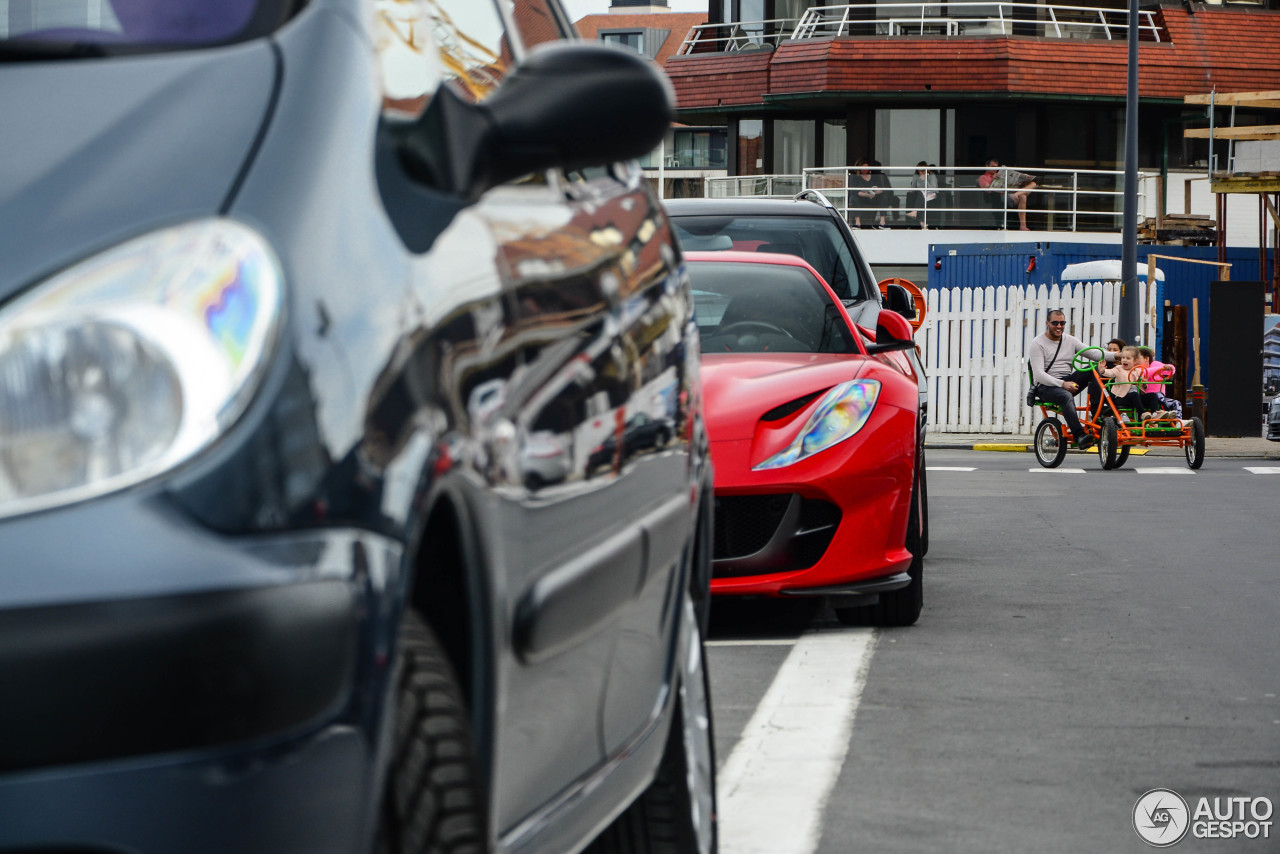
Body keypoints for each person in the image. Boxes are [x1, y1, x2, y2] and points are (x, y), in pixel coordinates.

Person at [1028, 310, 1100, 449]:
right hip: (1045, 386)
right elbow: (1038, 375)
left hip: (1066, 380)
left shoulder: (1070, 340)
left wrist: (1118, 356)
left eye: (1062, 323)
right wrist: (1062, 384)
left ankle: (1099, 415)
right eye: (1055, 323)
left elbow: (1093, 353)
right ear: (1047, 323)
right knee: (1066, 396)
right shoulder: (1037, 343)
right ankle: (1079, 435)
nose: (1059, 326)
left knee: (1093, 370)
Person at [981, 158, 1038, 230]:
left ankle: (1017, 194)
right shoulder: (983, 177)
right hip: (1000, 196)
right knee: (1023, 196)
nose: (995, 169)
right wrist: (993, 179)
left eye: (996, 167)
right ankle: (1023, 226)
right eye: (993, 167)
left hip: (1011, 194)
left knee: (1033, 184)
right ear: (987, 166)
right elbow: (987, 190)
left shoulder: (998, 174)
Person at [850, 157, 883, 229]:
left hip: (873, 197)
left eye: (867, 167)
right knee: (853, 198)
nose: (865, 169)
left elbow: (881, 189)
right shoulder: (855, 177)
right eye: (863, 167)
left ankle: (882, 222)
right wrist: (866, 194)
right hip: (861, 198)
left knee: (884, 197)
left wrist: (876, 191)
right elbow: (854, 191)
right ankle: (857, 223)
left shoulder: (875, 176)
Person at [906, 161, 937, 228]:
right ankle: (923, 225)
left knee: (921, 195)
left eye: (922, 170)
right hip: (920, 195)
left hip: (930, 194)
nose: (920, 172)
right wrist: (911, 190)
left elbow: (934, 189)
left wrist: (924, 180)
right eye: (918, 170)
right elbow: (913, 187)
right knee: (921, 200)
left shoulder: (931, 175)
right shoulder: (916, 175)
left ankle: (915, 212)